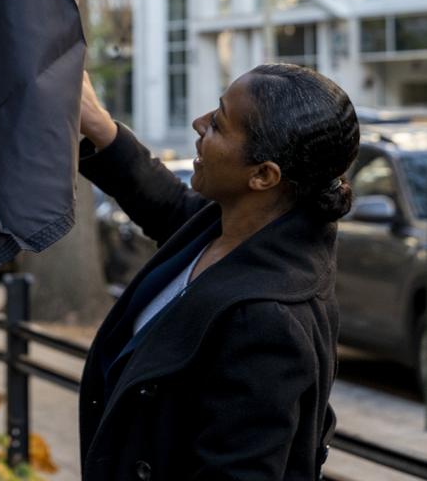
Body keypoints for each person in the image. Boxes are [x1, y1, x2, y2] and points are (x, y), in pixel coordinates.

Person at [77, 62, 360, 481]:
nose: (199, 123)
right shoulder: (234, 227)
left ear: (263, 175)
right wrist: (100, 126)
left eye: (220, 124)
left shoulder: (267, 322)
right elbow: (169, 205)